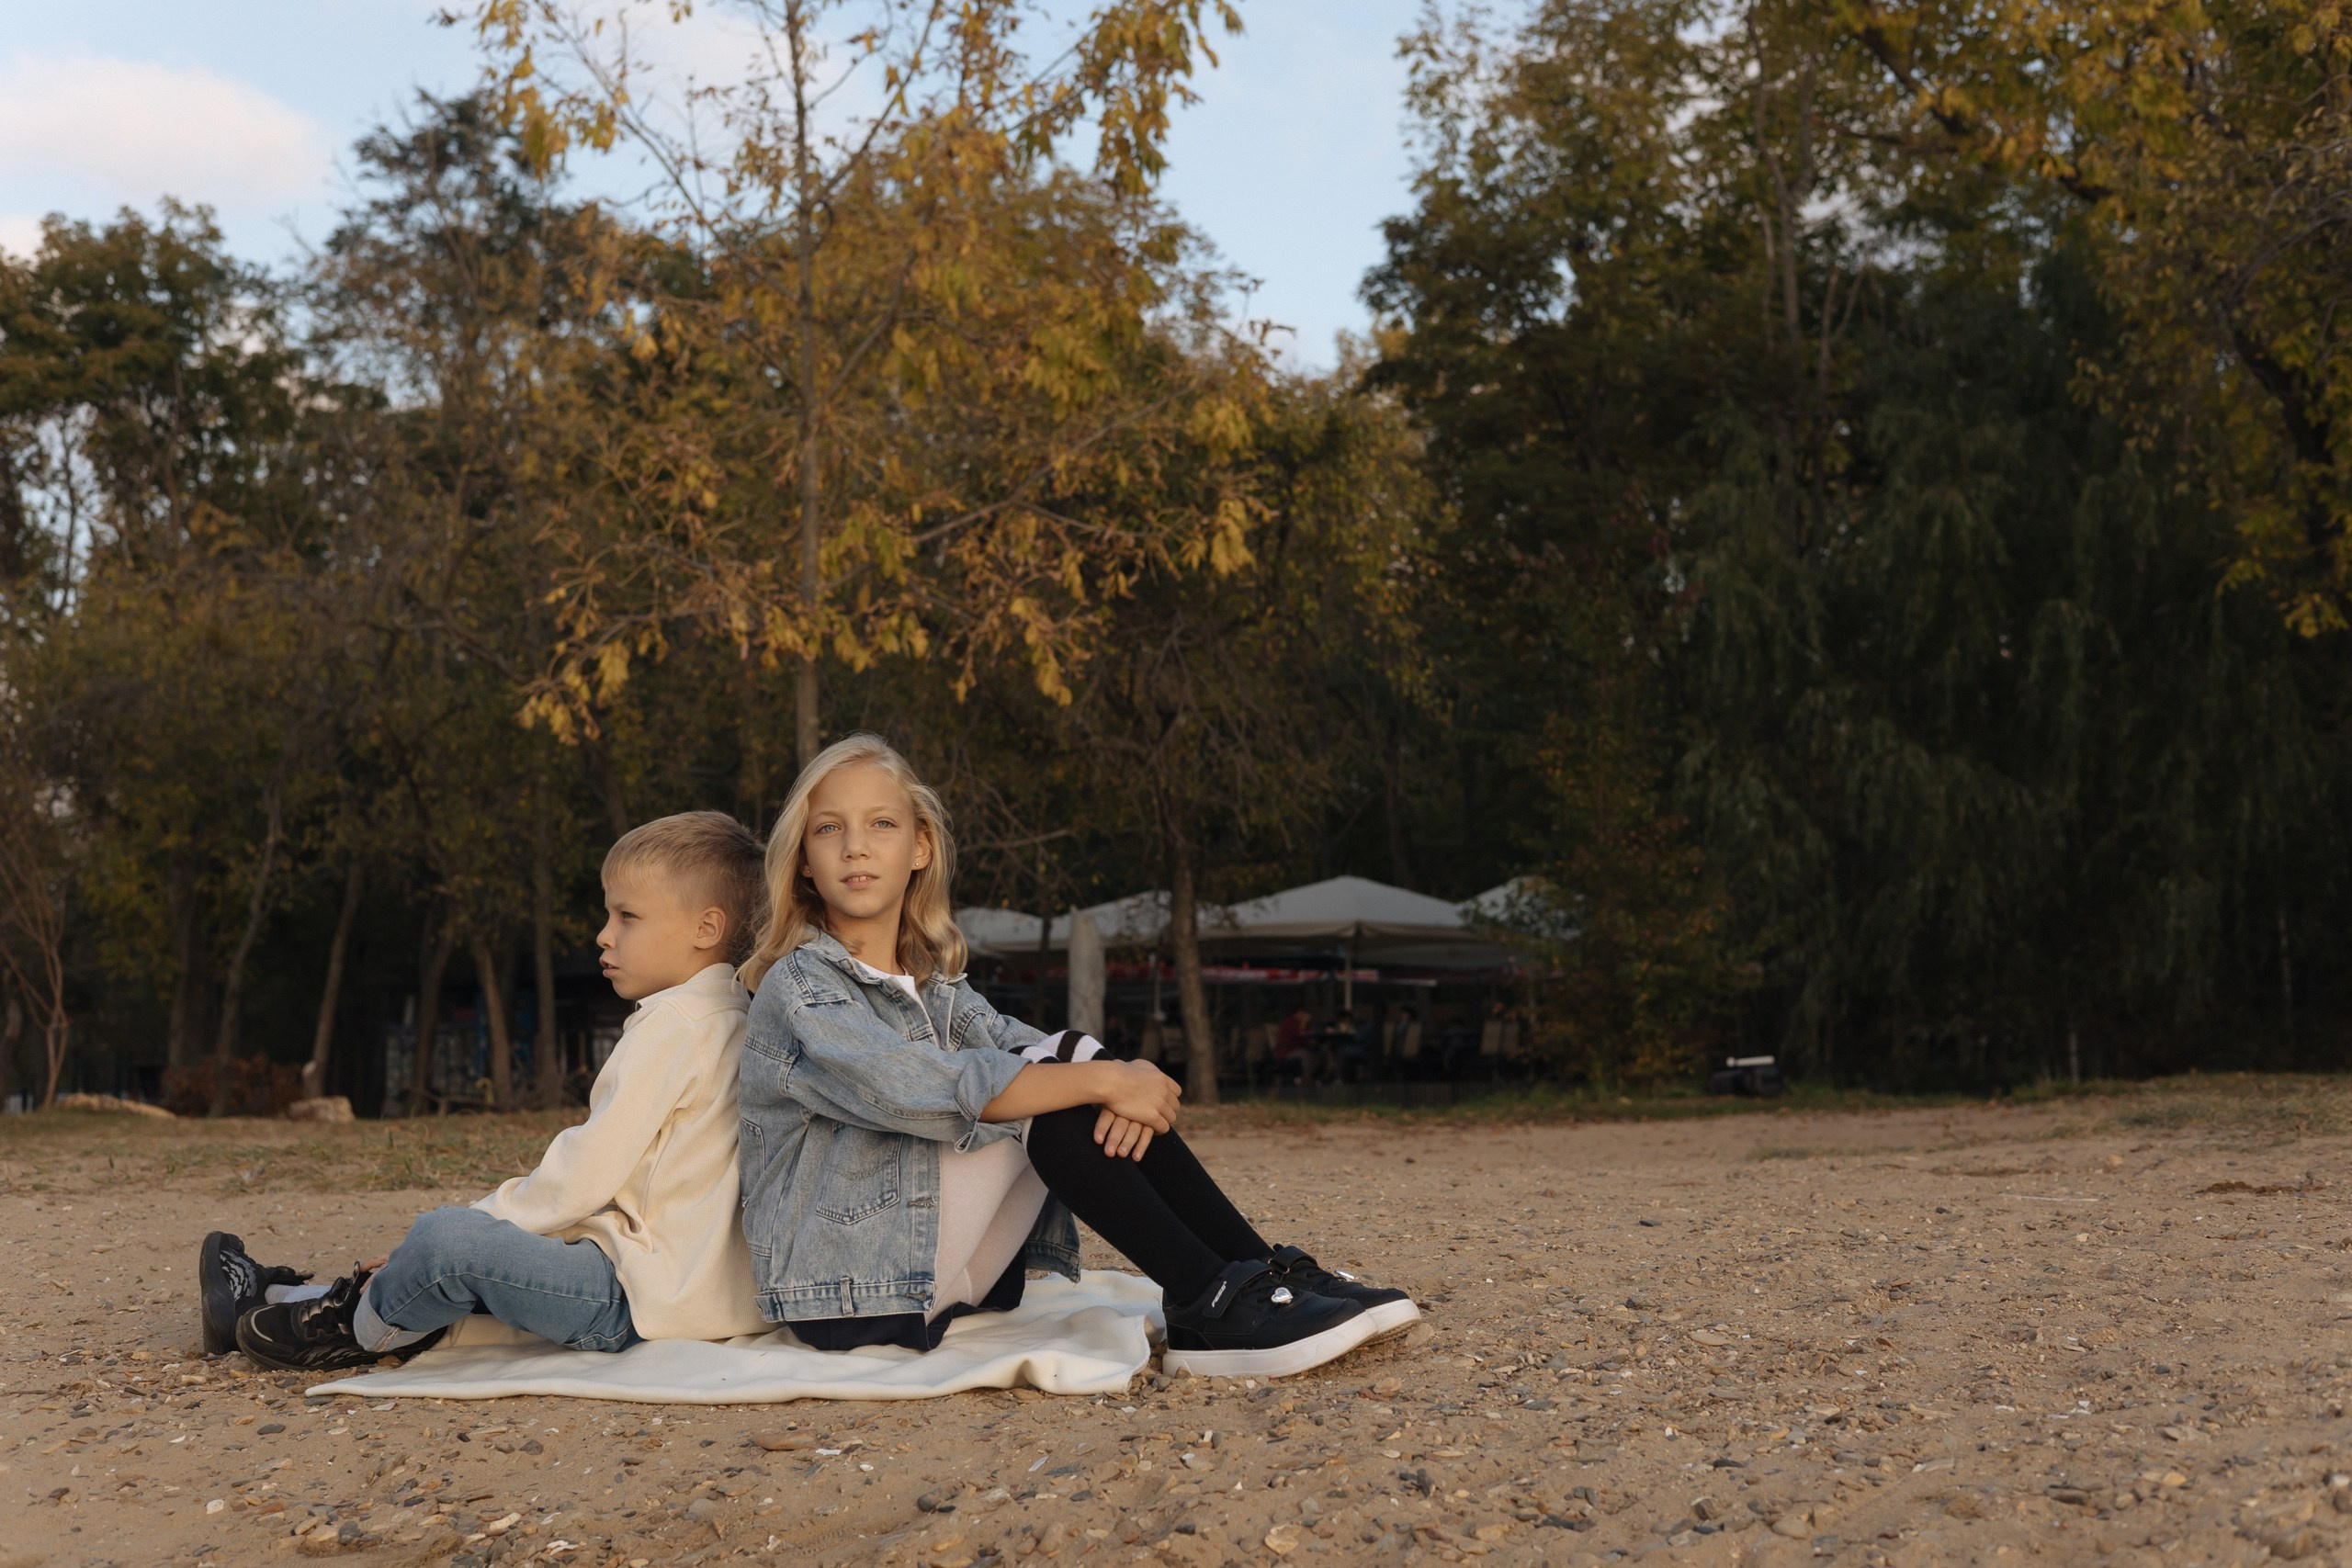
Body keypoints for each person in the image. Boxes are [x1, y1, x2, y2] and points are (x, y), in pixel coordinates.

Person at [736, 734, 1418, 1380]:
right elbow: (914, 1087)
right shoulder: (800, 986)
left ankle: (1260, 1273)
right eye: (829, 828)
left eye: (880, 824)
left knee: (1064, 1066)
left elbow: (1029, 1044)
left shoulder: (933, 983)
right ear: (802, 857)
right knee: (1056, 1093)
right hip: (844, 1287)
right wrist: (1100, 1077)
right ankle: (1209, 1302)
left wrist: (1124, 1073)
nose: (855, 846)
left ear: (920, 846)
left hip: (931, 1270)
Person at [210, 811, 776, 1371]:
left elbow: (582, 1176)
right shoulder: (739, 1015)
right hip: (699, 1296)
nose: (604, 935)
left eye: (627, 916)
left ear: (706, 929)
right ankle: (270, 1305)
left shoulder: (675, 1023)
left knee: (446, 1242)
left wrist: (477, 1223)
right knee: (479, 1259)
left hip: (639, 1298)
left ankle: (354, 1326)